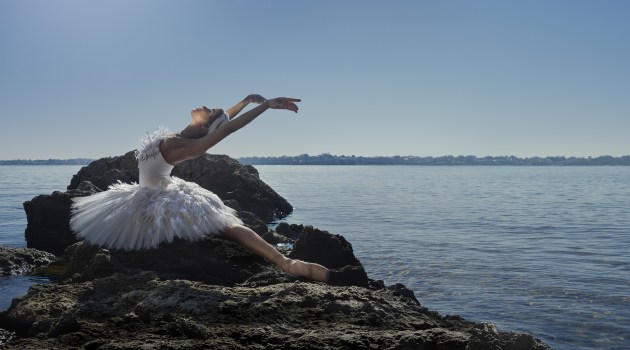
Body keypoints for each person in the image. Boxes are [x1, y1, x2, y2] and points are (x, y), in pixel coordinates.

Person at [70, 95, 329, 282]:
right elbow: (223, 120)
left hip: (160, 199)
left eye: (211, 109)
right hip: (149, 192)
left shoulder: (187, 148)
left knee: (226, 226)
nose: (206, 105)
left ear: (206, 125)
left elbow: (227, 127)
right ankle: (287, 263)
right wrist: (247, 99)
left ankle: (286, 263)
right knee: (221, 225)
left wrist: (266, 106)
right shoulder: (180, 136)